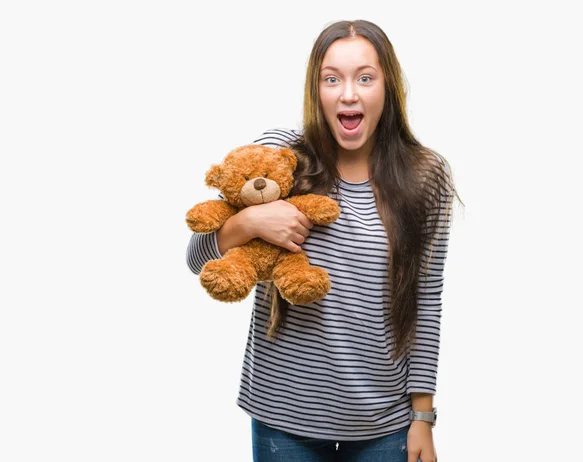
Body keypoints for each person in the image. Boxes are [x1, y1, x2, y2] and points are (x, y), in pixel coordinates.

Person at [186, 19, 460, 462]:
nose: (348, 94)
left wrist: (423, 419)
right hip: (283, 417)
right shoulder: (280, 157)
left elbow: (426, 301)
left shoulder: (425, 176)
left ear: (388, 87)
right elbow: (197, 257)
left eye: (365, 78)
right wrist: (252, 221)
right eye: (331, 79)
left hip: (383, 423)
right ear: (316, 91)